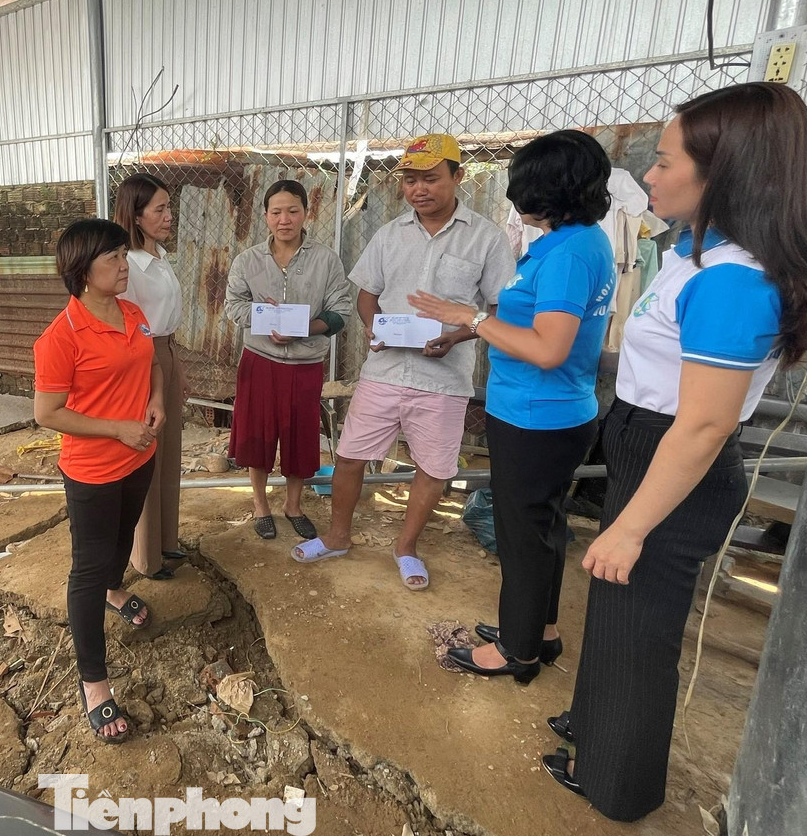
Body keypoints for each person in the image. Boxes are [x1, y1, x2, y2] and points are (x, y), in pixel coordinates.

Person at [539, 83, 807, 820]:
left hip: (677, 466)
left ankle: (617, 783)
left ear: (723, 172)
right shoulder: (698, 252)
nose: (651, 177)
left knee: (639, 633)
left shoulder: (733, 281)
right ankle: (593, 727)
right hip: (647, 445)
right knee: (613, 605)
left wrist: (632, 524)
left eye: (665, 162)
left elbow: (702, 426)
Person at [408, 130, 616, 684]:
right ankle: (539, 633)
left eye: (522, 186)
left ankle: (516, 653)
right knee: (542, 528)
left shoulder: (569, 253)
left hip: (535, 413)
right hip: (553, 412)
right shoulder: (579, 241)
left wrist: (470, 318)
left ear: (550, 189)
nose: (513, 198)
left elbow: (549, 348)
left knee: (522, 536)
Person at [291, 134, 515, 587]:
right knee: (351, 454)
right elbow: (367, 294)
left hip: (445, 378)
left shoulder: (487, 240)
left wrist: (458, 335)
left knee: (433, 469)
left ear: (458, 176)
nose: (419, 189)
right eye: (411, 181)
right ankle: (338, 536)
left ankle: (406, 546)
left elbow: (497, 309)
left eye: (430, 178)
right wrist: (374, 327)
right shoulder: (389, 235)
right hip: (385, 372)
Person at [33, 218, 167, 744]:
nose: (123, 264)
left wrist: (155, 400)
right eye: (112, 257)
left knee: (121, 540)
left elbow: (151, 362)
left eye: (122, 254)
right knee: (87, 568)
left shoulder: (133, 313)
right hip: (91, 472)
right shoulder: (61, 337)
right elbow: (47, 412)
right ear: (82, 271)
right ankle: (94, 683)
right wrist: (115, 428)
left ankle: (117, 590)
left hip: (140, 457)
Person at [224, 180, 352, 540]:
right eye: (276, 212)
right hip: (259, 361)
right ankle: (261, 505)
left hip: (305, 364)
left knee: (299, 438)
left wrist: (304, 328)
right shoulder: (247, 260)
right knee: (257, 436)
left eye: (293, 210)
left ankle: (293, 505)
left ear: (305, 213)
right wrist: (265, 316)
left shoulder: (326, 259)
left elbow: (341, 312)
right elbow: (233, 305)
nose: (285, 219)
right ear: (265, 216)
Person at [113, 173, 188, 580]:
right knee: (146, 460)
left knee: (169, 454)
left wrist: (178, 369)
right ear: (136, 216)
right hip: (144, 360)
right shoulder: (129, 266)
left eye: (168, 207)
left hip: (167, 353)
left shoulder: (158, 256)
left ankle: (165, 541)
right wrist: (154, 381)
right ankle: (145, 557)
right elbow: (133, 332)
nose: (169, 216)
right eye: (160, 209)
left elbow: (166, 325)